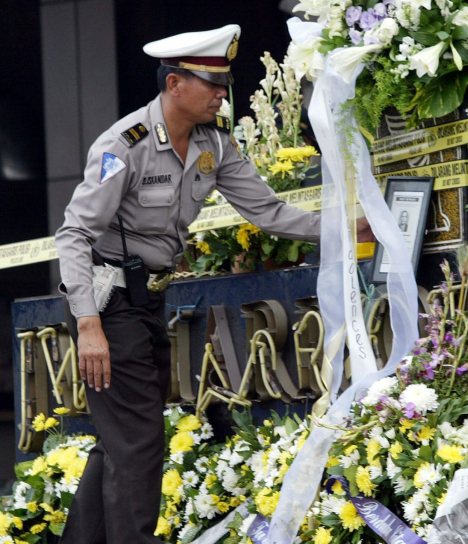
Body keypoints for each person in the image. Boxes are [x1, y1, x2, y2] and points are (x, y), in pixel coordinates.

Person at [54, 24, 372, 543]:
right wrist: (88, 323)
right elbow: (74, 234)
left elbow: (267, 211)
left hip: (147, 299)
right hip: (107, 302)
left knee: (121, 438)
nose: (222, 96)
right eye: (211, 84)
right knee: (137, 439)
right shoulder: (124, 145)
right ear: (175, 83)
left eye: (225, 85)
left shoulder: (213, 145)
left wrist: (344, 228)